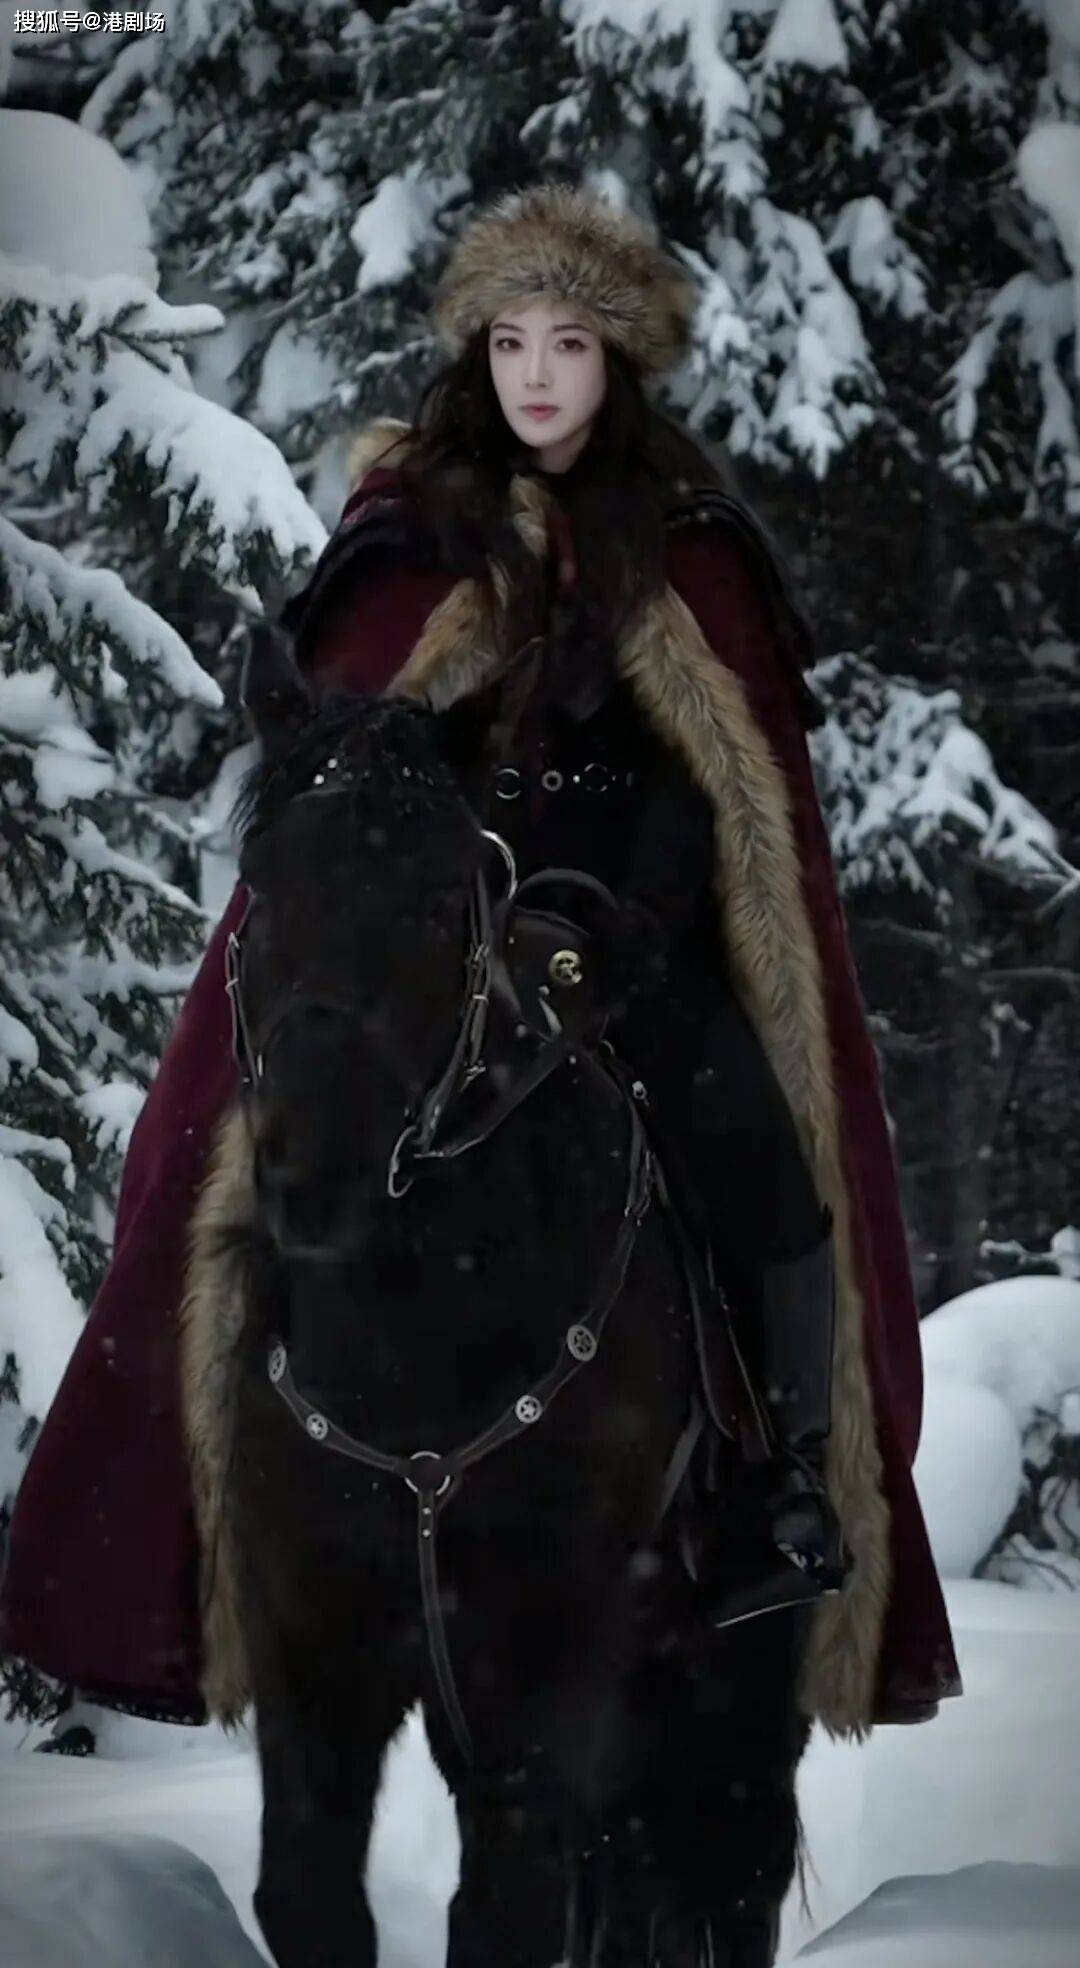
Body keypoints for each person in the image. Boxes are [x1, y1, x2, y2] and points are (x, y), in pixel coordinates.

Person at [0, 184, 960, 1749]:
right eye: (510, 342)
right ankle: (220, 1512)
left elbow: (725, 796)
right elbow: (355, 761)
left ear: (614, 360)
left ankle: (781, 1480)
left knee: (759, 1157)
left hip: (634, 948)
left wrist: (629, 924)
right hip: (436, 940)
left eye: (567, 344)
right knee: (235, 1154)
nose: (535, 375)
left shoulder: (689, 546)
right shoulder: (412, 533)